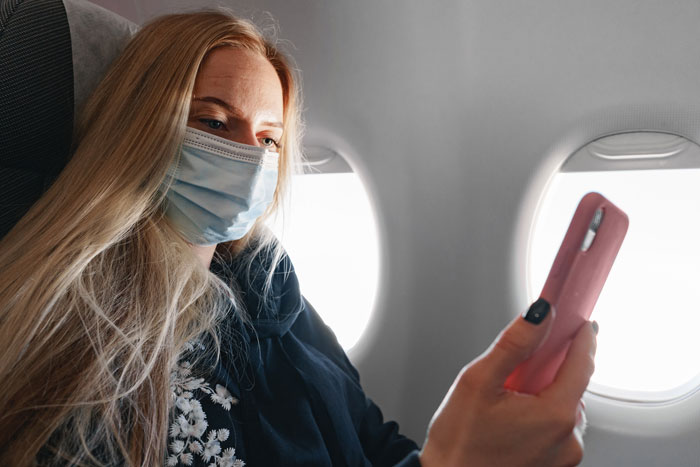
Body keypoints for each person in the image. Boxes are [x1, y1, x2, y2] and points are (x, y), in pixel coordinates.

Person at [0, 10, 597, 467]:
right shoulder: (73, 327)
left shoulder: (270, 290)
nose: (249, 159)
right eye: (213, 122)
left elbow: (373, 443)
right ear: (137, 128)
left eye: (269, 140)